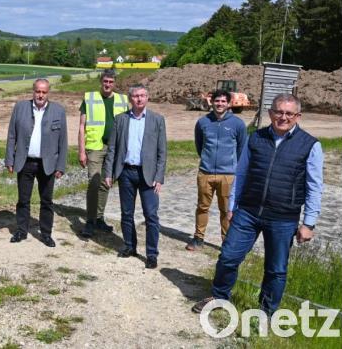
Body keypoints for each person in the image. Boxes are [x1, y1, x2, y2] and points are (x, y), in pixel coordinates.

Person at [192, 94, 324, 316]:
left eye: (289, 113)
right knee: (228, 257)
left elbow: (314, 186)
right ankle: (219, 297)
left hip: (283, 217)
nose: (283, 117)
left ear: (297, 116)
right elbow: (241, 173)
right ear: (271, 113)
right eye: (278, 112)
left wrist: (308, 223)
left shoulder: (310, 145)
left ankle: (266, 312)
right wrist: (232, 206)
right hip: (248, 212)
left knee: (276, 270)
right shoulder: (256, 138)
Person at [103, 84, 167, 269]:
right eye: (135, 96)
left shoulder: (157, 120)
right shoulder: (120, 119)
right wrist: (109, 172)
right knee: (127, 213)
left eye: (142, 95)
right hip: (126, 173)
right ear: (130, 99)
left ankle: (152, 254)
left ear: (147, 97)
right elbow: (112, 149)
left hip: (148, 175)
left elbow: (162, 151)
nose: (139, 99)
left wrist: (159, 176)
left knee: (151, 215)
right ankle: (129, 246)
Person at [5, 78, 68, 247]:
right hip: (25, 161)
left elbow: (63, 141)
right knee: (23, 199)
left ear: (48, 93)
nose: (40, 95)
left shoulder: (58, 111)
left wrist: (61, 165)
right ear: (33, 91)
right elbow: (12, 135)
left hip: (47, 164)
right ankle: (21, 231)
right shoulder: (20, 108)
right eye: (38, 91)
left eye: (44, 92)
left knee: (46, 201)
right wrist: (9, 159)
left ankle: (46, 234)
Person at [186, 89, 247, 250]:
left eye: (223, 101)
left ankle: (226, 241)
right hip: (205, 173)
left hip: (228, 175)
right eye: (217, 101)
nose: (219, 104)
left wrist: (233, 167)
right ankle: (198, 238)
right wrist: (207, 160)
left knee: (226, 210)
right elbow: (200, 145)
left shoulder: (238, 124)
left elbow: (241, 148)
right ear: (211, 102)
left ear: (229, 104)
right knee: (202, 207)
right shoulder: (203, 122)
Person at [78, 69, 129, 238]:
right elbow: (81, 126)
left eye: (111, 82)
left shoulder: (123, 100)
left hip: (114, 149)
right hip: (95, 147)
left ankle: (99, 217)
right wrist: (81, 151)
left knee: (106, 183)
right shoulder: (90, 98)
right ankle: (90, 220)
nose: (107, 84)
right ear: (101, 82)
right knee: (94, 181)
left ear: (115, 83)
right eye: (105, 81)